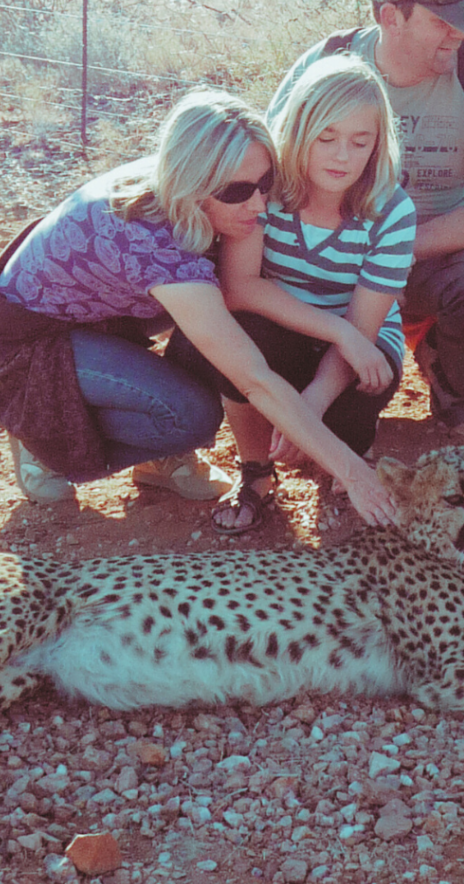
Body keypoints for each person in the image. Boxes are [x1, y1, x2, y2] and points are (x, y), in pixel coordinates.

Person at [0, 89, 396, 528]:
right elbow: (254, 379)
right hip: (33, 345)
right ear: (193, 182)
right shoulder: (151, 240)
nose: (259, 204)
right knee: (192, 415)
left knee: (215, 337)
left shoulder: (181, 191)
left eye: (265, 183)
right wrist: (352, 470)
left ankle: (154, 460)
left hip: (104, 318)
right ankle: (40, 437)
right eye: (238, 191)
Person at [269, 0, 464, 427]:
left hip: (434, 246)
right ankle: (297, 388)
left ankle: (454, 393)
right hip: (337, 240)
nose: (461, 33)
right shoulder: (329, 63)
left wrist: (390, 256)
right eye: (442, 21)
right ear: (391, 18)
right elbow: (273, 169)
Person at [168, 55, 417, 534]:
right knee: (239, 338)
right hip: (291, 328)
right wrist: (336, 334)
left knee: (365, 386)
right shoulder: (267, 189)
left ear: (377, 145)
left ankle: (349, 449)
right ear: (298, 130)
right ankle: (257, 472)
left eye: (359, 142)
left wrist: (310, 409)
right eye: (326, 138)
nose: (342, 155)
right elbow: (239, 289)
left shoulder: (392, 210)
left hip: (359, 342)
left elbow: (363, 331)